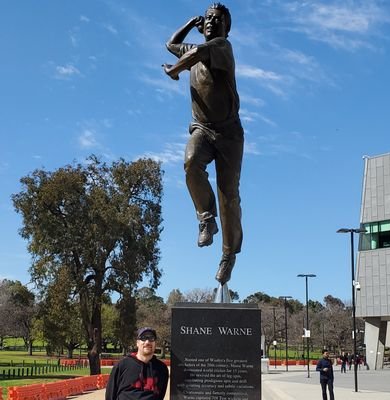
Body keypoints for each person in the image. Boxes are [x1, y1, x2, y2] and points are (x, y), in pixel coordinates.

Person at [163, 3, 244, 285]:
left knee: (229, 198)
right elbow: (171, 43)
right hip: (203, 129)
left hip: (229, 135)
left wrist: (174, 70)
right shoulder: (192, 51)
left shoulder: (222, 47)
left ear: (225, 27)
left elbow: (197, 52)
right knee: (190, 161)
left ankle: (228, 255)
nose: (211, 22)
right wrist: (189, 21)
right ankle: (206, 219)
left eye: (217, 19)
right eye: (207, 19)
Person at [105, 327, 169, 400]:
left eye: (151, 338)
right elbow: (110, 395)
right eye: (143, 338)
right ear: (137, 343)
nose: (147, 342)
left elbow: (160, 395)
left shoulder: (162, 369)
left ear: (155, 343)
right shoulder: (122, 365)